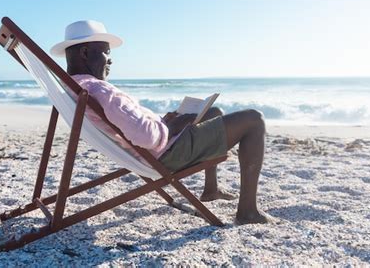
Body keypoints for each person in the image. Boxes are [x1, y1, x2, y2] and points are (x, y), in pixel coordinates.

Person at [50, 20, 274, 224]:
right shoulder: (100, 89)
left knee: (214, 112)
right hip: (165, 155)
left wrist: (160, 120)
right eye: (106, 53)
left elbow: (131, 126)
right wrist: (169, 126)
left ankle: (211, 190)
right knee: (254, 119)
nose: (111, 60)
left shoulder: (74, 87)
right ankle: (248, 212)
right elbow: (146, 137)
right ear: (86, 52)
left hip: (151, 151)